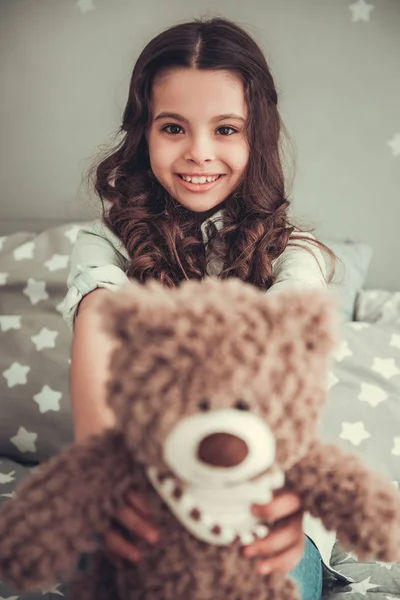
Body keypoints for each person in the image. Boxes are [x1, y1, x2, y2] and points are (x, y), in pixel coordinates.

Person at [64, 17, 342, 600]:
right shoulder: (103, 246)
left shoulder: (298, 258)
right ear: (144, 133)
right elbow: (99, 328)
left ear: (256, 136)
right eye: (173, 127)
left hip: (262, 507)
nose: (199, 153)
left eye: (225, 128)